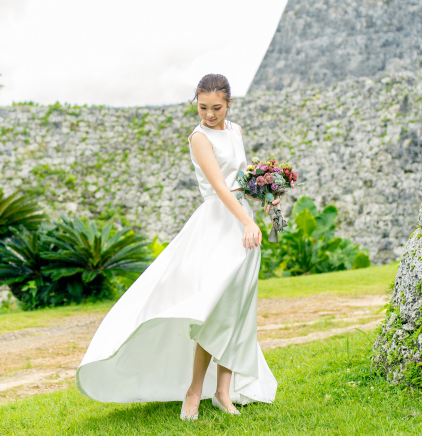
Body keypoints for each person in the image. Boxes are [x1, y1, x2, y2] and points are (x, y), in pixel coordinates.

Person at [74, 73, 278, 420]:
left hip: (244, 226)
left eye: (216, 108)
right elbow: (220, 186)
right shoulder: (199, 138)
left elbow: (242, 181)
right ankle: (193, 391)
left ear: (229, 104)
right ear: (196, 103)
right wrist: (247, 221)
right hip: (218, 226)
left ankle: (223, 393)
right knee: (213, 310)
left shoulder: (236, 131)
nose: (209, 115)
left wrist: (268, 196)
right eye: (203, 107)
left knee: (238, 309)